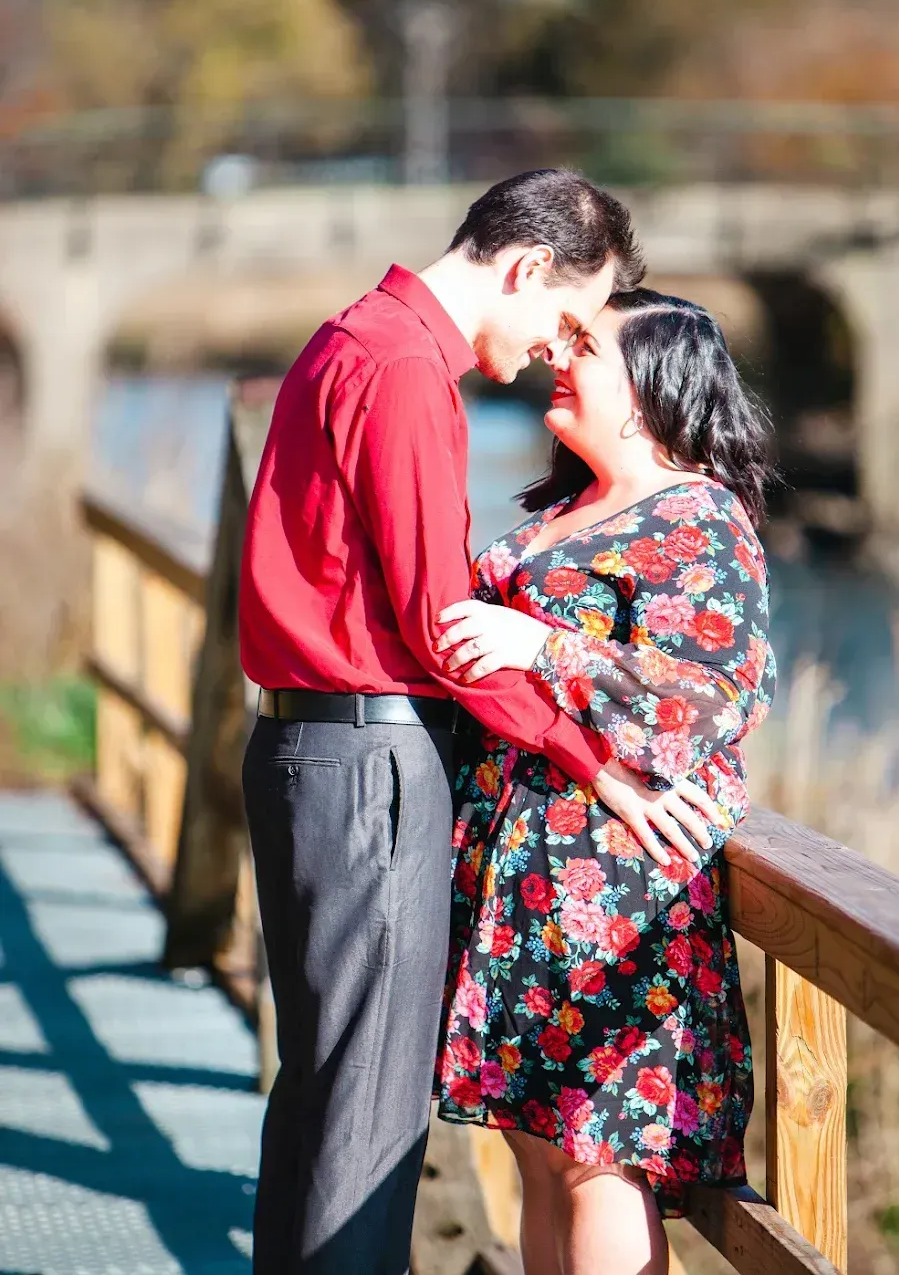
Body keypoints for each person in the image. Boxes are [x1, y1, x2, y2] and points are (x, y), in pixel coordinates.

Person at [237, 169, 648, 1275]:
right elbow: (438, 622)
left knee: (327, 1089)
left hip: (308, 747)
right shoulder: (407, 367)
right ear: (520, 268)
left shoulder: (346, 337)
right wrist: (590, 756)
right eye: (562, 319)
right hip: (365, 758)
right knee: (366, 1109)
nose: (558, 350)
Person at [433, 289, 777, 1275]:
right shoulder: (562, 507)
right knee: (537, 1155)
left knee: (595, 1162)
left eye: (583, 344)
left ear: (647, 387)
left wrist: (541, 643)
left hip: (611, 895)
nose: (556, 353)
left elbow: (715, 692)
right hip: (508, 880)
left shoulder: (694, 516)